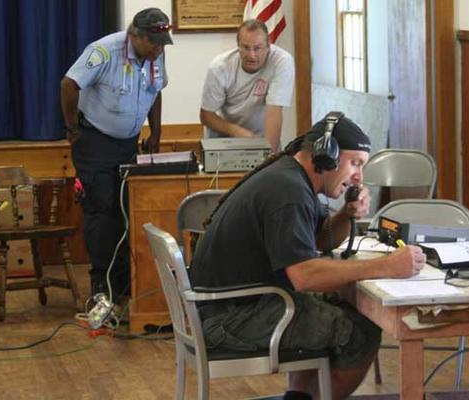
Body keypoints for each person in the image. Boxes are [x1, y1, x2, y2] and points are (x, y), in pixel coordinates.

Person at [191, 114, 426, 399]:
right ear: (327, 155)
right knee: (359, 334)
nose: (359, 178)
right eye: (355, 163)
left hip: (231, 306)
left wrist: (346, 214)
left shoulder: (290, 177)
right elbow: (305, 276)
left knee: (344, 313)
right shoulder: (288, 191)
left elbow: (317, 240)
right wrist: (387, 266)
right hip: (230, 318)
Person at [60, 8, 173, 303]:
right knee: (101, 210)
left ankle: (123, 285)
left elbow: (155, 90)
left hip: (128, 143)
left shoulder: (156, 53)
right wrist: (71, 127)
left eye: (162, 43)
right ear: (135, 35)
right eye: (153, 43)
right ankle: (101, 286)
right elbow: (68, 84)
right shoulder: (104, 51)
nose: (159, 49)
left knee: (126, 211)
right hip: (95, 141)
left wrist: (156, 132)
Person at [199, 19, 295, 152]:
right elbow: (206, 116)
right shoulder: (220, 67)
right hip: (224, 141)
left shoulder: (282, 62)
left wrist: (270, 156)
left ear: (268, 45)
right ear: (238, 46)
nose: (252, 55)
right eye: (245, 48)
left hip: (263, 140)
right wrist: (239, 132)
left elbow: (275, 109)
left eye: (257, 48)